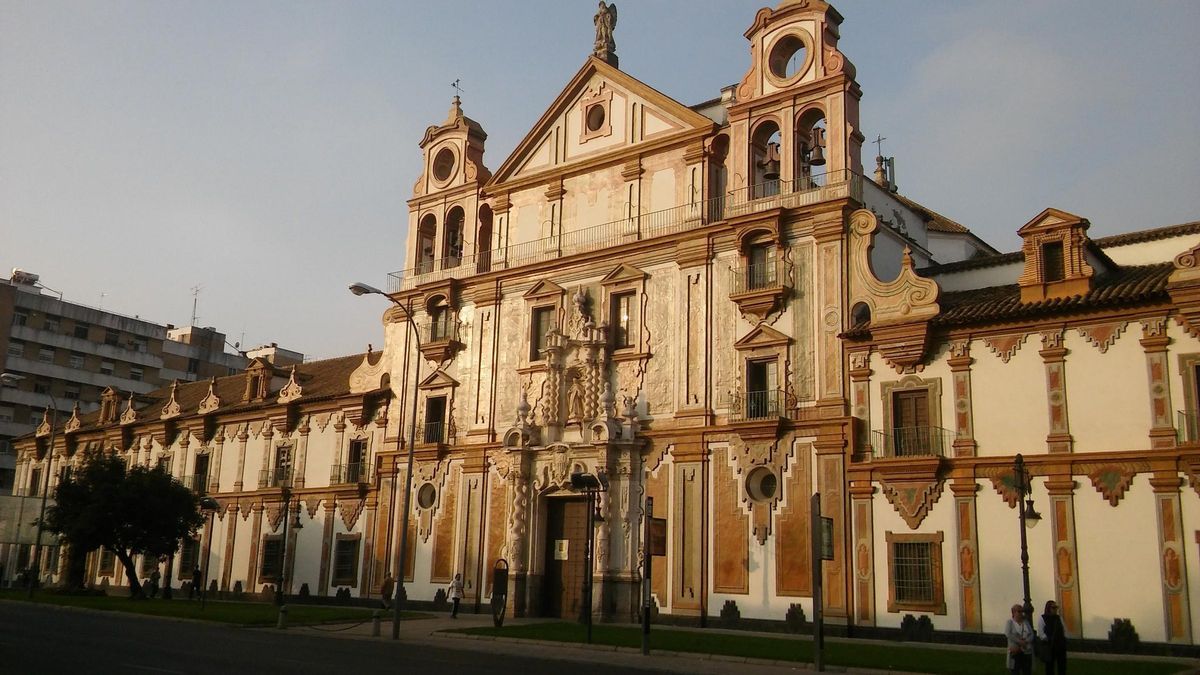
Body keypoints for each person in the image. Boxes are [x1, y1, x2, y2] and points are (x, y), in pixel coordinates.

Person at [1038, 600, 1068, 675]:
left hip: (1060, 644)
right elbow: (1041, 632)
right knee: (1049, 666)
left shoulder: (1058, 618)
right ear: (1048, 608)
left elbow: (1064, 629)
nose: (1055, 610)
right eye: (1053, 608)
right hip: (1050, 645)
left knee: (1062, 665)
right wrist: (1047, 639)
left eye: (1056, 608)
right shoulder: (1043, 618)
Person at [1005, 603, 1034, 675]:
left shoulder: (1026, 622)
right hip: (1015, 650)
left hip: (1026, 650)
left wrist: (1026, 641)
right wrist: (1019, 641)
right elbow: (1008, 634)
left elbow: (1031, 634)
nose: (1021, 613)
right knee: (1015, 670)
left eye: (1022, 611)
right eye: (1019, 611)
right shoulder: (1010, 623)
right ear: (1013, 613)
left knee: (1027, 670)